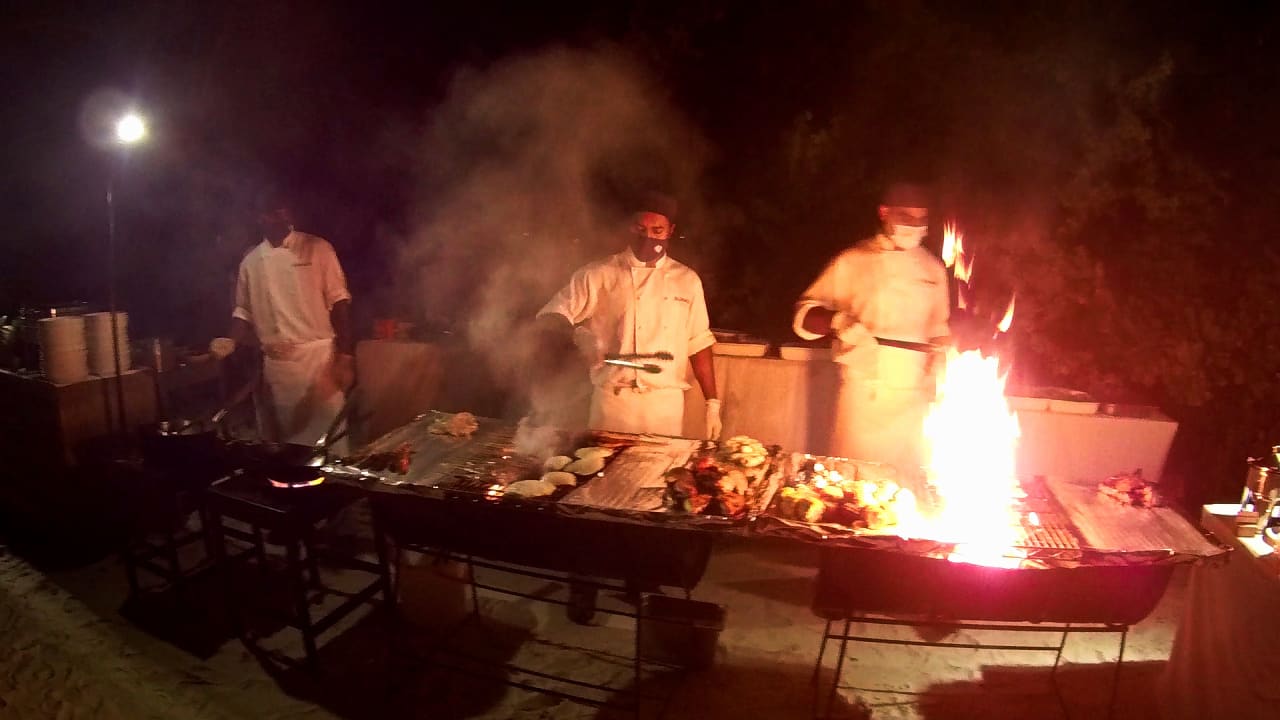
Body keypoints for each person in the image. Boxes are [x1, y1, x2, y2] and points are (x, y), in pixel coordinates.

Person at [536, 191, 721, 441]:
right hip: (613, 403)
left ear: (670, 231)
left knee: (658, 477)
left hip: (665, 406)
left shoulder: (687, 280)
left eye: (657, 231)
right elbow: (550, 315)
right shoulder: (598, 274)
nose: (648, 238)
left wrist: (712, 403)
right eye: (640, 229)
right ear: (629, 228)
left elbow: (698, 343)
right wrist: (576, 334)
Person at [792, 182, 950, 472]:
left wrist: (943, 361)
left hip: (914, 402)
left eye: (920, 220)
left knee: (907, 491)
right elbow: (803, 317)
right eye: (905, 217)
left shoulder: (933, 269)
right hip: (864, 398)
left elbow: (940, 331)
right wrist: (838, 322)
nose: (913, 226)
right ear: (883, 212)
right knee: (854, 487)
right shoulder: (853, 260)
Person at [211, 189, 354, 452]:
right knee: (287, 445)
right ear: (258, 218)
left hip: (318, 360)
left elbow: (340, 301)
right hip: (277, 367)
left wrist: (344, 355)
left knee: (329, 444)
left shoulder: (318, 248)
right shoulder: (250, 262)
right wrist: (231, 340)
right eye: (268, 213)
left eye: (280, 210)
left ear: (290, 213)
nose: (275, 217)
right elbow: (243, 311)